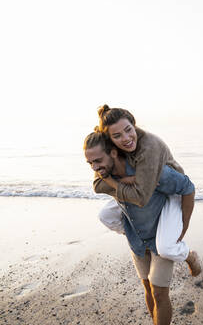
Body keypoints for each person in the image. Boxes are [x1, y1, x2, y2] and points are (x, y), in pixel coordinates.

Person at [84, 131, 197, 325]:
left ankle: (188, 255)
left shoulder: (152, 171)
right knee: (148, 289)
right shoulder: (104, 176)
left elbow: (187, 187)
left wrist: (184, 226)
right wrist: (120, 181)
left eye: (97, 161)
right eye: (90, 163)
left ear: (113, 153)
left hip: (161, 235)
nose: (95, 168)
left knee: (160, 294)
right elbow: (97, 186)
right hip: (136, 240)